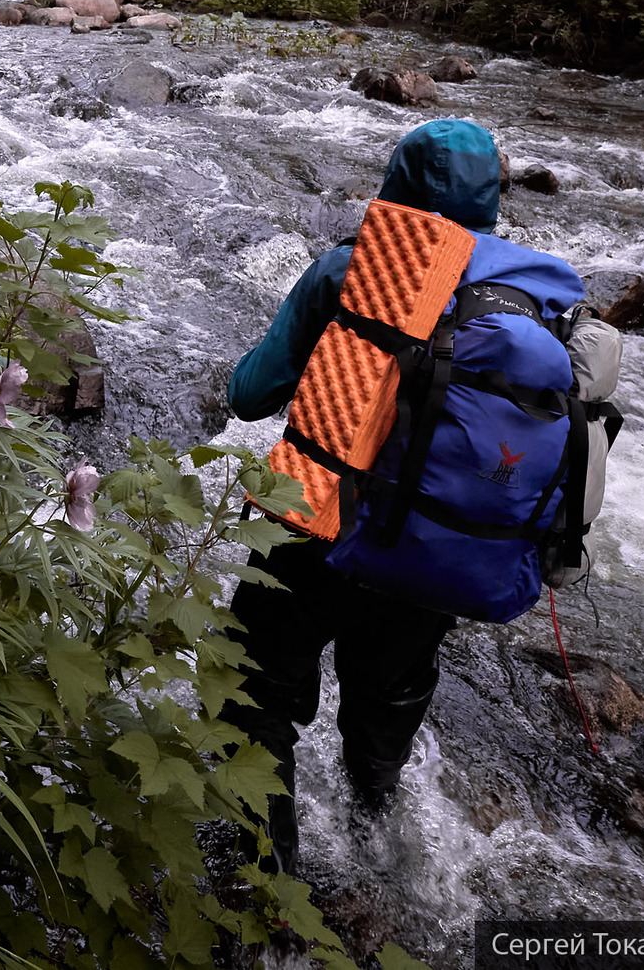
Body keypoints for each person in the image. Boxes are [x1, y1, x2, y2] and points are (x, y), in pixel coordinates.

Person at [220, 119, 507, 879]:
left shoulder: (344, 273)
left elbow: (250, 397)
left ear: (394, 191)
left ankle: (265, 887)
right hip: (430, 551)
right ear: (491, 201)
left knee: (255, 699)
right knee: (388, 698)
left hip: (313, 529)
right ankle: (378, 841)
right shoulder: (524, 303)